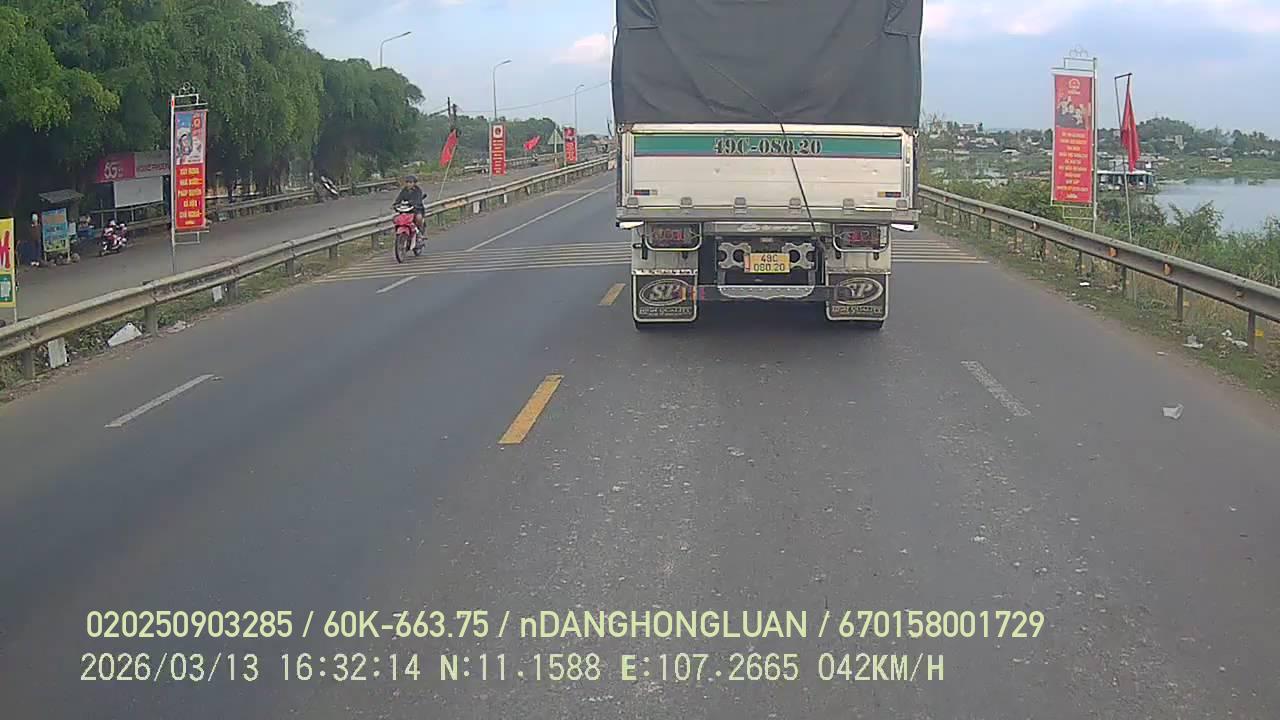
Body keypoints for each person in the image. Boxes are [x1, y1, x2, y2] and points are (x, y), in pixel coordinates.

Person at [393, 175, 427, 239]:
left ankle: (420, 233)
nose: (409, 184)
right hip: (406, 210)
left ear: (414, 183)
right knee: (396, 219)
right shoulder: (404, 190)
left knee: (419, 218)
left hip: (416, 209)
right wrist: (395, 204)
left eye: (410, 182)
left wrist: (412, 203)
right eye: (407, 182)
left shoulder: (418, 190)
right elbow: (399, 198)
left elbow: (418, 199)